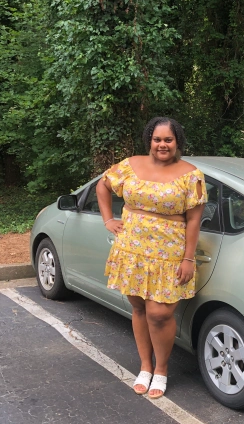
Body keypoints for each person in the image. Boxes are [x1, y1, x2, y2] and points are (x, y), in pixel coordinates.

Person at [96, 117, 207, 399]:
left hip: (168, 254)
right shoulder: (130, 165)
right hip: (132, 250)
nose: (162, 145)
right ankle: (145, 366)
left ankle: (162, 368)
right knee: (138, 308)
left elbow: (194, 220)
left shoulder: (191, 174)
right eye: (157, 139)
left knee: (159, 313)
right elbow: (103, 185)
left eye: (168, 140)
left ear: (177, 142)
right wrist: (108, 219)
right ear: (150, 140)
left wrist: (188, 259)